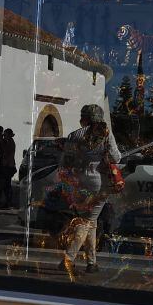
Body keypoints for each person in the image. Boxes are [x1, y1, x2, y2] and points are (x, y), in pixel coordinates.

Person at [62, 104, 120, 276]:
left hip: (79, 181)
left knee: (90, 221)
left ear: (85, 117)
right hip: (98, 182)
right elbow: (116, 157)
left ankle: (91, 262)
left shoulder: (74, 135)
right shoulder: (105, 134)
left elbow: (66, 161)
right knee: (87, 222)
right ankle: (68, 259)